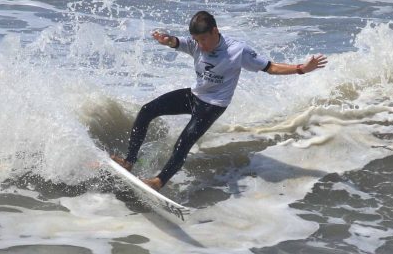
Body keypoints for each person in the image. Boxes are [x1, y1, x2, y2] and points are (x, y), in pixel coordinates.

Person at [113, 11, 327, 191]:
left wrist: (301, 69)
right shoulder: (196, 44)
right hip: (195, 95)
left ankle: (159, 182)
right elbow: (177, 42)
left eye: (204, 39)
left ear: (215, 31)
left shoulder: (237, 50)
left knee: (183, 142)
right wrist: (167, 40)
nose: (201, 45)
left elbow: (270, 67)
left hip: (213, 105)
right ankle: (129, 161)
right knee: (147, 110)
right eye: (197, 40)